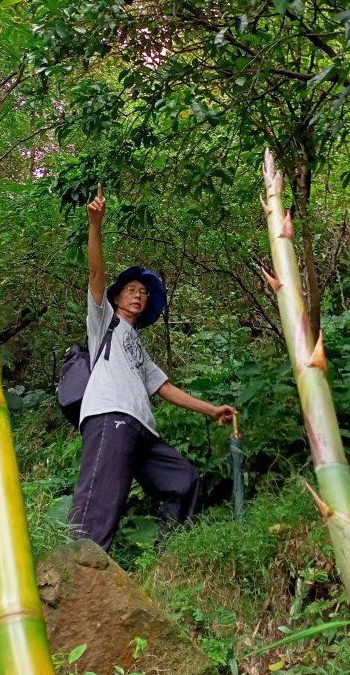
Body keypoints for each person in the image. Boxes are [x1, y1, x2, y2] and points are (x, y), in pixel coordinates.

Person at [68, 183, 237, 552]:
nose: (138, 294)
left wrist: (212, 410)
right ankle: (73, 580)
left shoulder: (137, 348)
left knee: (184, 481)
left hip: (141, 429)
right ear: (115, 297)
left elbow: (164, 388)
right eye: (131, 288)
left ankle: (167, 560)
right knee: (97, 507)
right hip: (109, 417)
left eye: (143, 292)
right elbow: (96, 274)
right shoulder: (103, 323)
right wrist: (95, 225)